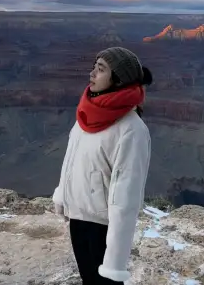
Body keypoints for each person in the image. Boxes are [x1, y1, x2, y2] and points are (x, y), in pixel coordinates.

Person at [53, 46, 153, 284]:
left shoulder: (132, 130)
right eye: (93, 67)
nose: (92, 74)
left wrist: (115, 261)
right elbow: (71, 158)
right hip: (78, 217)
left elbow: (126, 199)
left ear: (118, 79)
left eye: (100, 70)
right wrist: (61, 195)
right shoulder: (87, 114)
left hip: (103, 228)